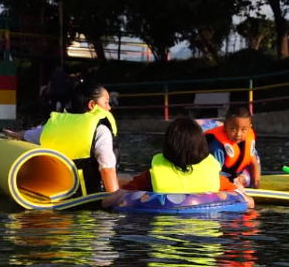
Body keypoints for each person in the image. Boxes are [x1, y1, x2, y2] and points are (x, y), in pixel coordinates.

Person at [103, 118, 253, 208]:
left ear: (168, 146)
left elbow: (107, 201)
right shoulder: (215, 177)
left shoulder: (152, 176)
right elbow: (249, 203)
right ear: (202, 147)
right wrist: (240, 189)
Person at [39, 83, 119, 195]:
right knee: (125, 179)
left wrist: (17, 135)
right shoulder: (100, 130)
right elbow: (107, 168)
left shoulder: (53, 125)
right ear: (92, 105)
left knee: (124, 178)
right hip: (87, 197)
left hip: (53, 193)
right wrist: (116, 198)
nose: (109, 107)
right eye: (106, 103)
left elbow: (28, 135)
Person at [204, 106, 261, 189]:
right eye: (233, 129)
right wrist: (231, 187)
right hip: (219, 177)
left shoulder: (247, 141)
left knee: (246, 179)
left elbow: (254, 163)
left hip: (234, 174)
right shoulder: (217, 148)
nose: (238, 134)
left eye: (243, 130)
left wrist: (257, 183)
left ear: (249, 128)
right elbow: (213, 174)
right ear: (225, 126)